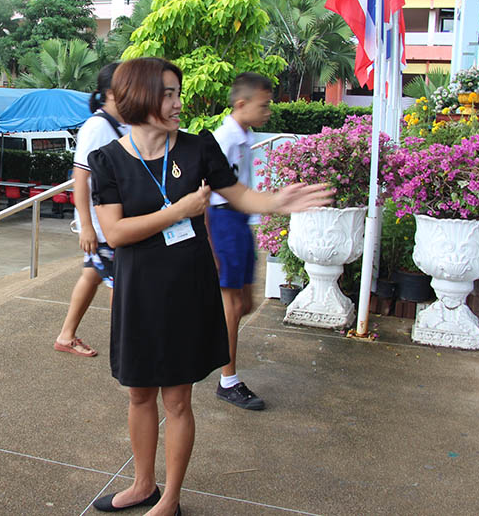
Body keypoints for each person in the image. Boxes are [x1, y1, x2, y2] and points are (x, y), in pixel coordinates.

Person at [88, 58, 330, 515]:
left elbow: (240, 195)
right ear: (139, 97)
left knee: (177, 399)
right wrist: (179, 211)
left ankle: (171, 499)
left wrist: (277, 202)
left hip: (187, 288)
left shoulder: (198, 148)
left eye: (177, 93)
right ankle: (142, 485)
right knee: (139, 393)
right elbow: (115, 233)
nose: (178, 103)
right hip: (138, 293)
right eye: (168, 94)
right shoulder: (107, 160)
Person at [207, 72, 274, 411]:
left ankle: (213, 339)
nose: (268, 112)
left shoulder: (245, 136)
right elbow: (205, 191)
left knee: (245, 303)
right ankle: (228, 381)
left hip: (239, 221)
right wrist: (210, 242)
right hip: (223, 221)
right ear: (242, 103)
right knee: (232, 305)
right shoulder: (224, 139)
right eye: (263, 105)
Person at [54, 62, 129, 357]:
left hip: (108, 221)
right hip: (102, 226)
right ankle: (124, 350)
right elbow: (81, 177)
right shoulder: (97, 127)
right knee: (120, 285)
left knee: (92, 275)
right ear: (110, 93)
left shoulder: (121, 123)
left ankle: (66, 336)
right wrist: (86, 226)